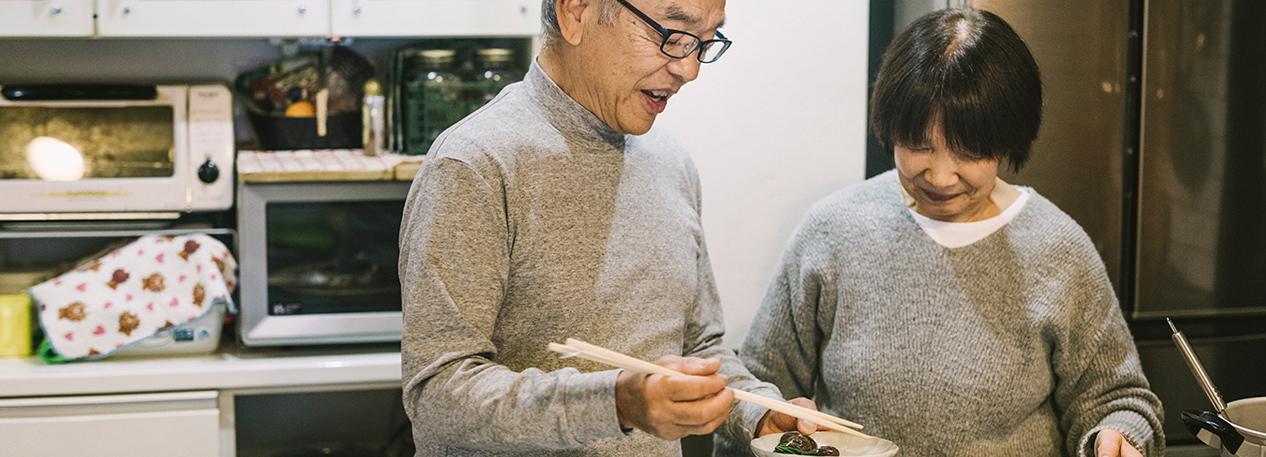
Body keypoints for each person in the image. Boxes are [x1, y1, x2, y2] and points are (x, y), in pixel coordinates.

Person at [727, 8, 1164, 457]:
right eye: (918, 145)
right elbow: (757, 392)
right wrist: (760, 421)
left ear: (1009, 140)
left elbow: (1118, 401)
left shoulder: (1058, 248)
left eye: (969, 151)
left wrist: (1116, 438)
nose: (939, 176)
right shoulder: (833, 232)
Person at [398, 0, 825, 455]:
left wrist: (757, 412)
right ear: (577, 12)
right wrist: (616, 403)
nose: (690, 70)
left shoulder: (669, 161)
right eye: (672, 35)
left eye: (704, 43)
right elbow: (436, 396)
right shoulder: (474, 164)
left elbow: (699, 346)